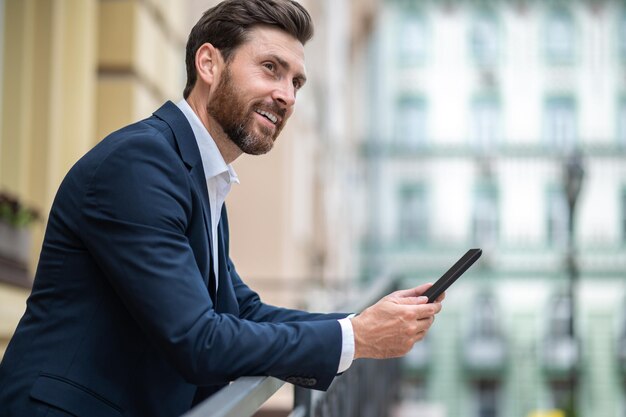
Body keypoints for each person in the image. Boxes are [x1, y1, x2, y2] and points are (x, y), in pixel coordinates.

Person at [0, 1, 444, 416]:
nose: (287, 95)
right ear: (209, 63)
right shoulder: (140, 165)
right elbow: (198, 339)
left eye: (296, 82)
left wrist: (364, 321)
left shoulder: (198, 173)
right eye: (271, 68)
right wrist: (356, 338)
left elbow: (242, 311)